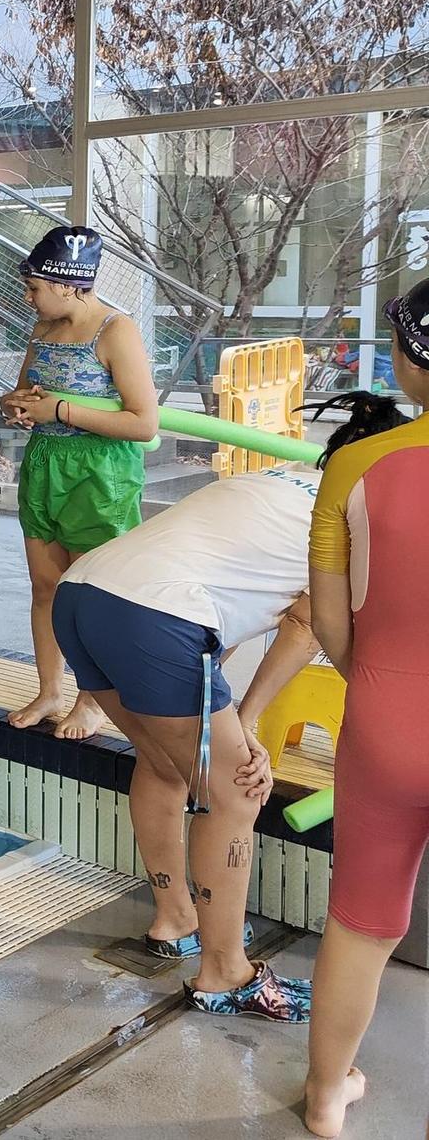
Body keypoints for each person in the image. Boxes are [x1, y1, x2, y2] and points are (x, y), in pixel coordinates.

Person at [52, 415, 414, 1026]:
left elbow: (227, 605)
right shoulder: (355, 518)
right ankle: (224, 974)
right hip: (159, 614)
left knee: (166, 766)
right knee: (236, 792)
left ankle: (176, 920)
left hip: (83, 594)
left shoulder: (278, 480)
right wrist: (246, 723)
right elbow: (306, 624)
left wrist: (228, 721)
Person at [302, 283, 429, 1138]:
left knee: (362, 921)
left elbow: (328, 621)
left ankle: (324, 1098)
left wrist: (381, 684)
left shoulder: (357, 463)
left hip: (388, 721)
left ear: (414, 359)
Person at [0, 226, 157, 740]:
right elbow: (23, 392)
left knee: (89, 596)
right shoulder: (42, 329)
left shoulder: (116, 330)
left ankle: (91, 702)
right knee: (45, 587)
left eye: (34, 288)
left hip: (100, 474)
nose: (28, 297)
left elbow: (144, 423)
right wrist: (14, 406)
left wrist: (62, 410)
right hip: (45, 465)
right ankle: (50, 691)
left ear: (67, 284)